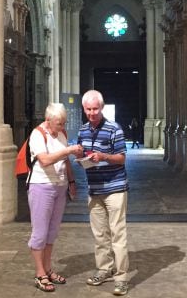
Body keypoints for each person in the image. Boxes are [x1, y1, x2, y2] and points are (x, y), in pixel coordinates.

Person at [77, 90, 130, 296]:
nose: (92, 113)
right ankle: (104, 269)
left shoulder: (114, 128)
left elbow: (122, 158)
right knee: (100, 235)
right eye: (88, 109)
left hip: (115, 188)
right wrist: (82, 159)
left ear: (102, 107)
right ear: (84, 109)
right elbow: (84, 153)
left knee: (118, 233)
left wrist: (104, 156)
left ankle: (122, 277)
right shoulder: (82, 130)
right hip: (94, 188)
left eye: (95, 109)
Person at [27, 103, 83, 292]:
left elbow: (65, 161)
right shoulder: (37, 134)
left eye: (64, 123)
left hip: (60, 186)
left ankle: (48, 268)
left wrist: (72, 182)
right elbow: (45, 160)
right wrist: (68, 151)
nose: (62, 127)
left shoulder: (62, 134)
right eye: (59, 123)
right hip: (41, 186)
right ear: (48, 120)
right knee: (40, 232)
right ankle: (39, 272)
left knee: (52, 232)